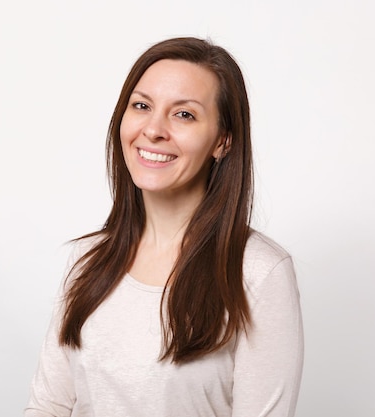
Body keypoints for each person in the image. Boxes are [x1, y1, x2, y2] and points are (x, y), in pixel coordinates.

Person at [25, 37, 304, 417]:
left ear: (222, 140)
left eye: (184, 114)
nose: (153, 130)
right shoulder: (88, 260)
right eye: (141, 106)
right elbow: (48, 406)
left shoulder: (258, 272)